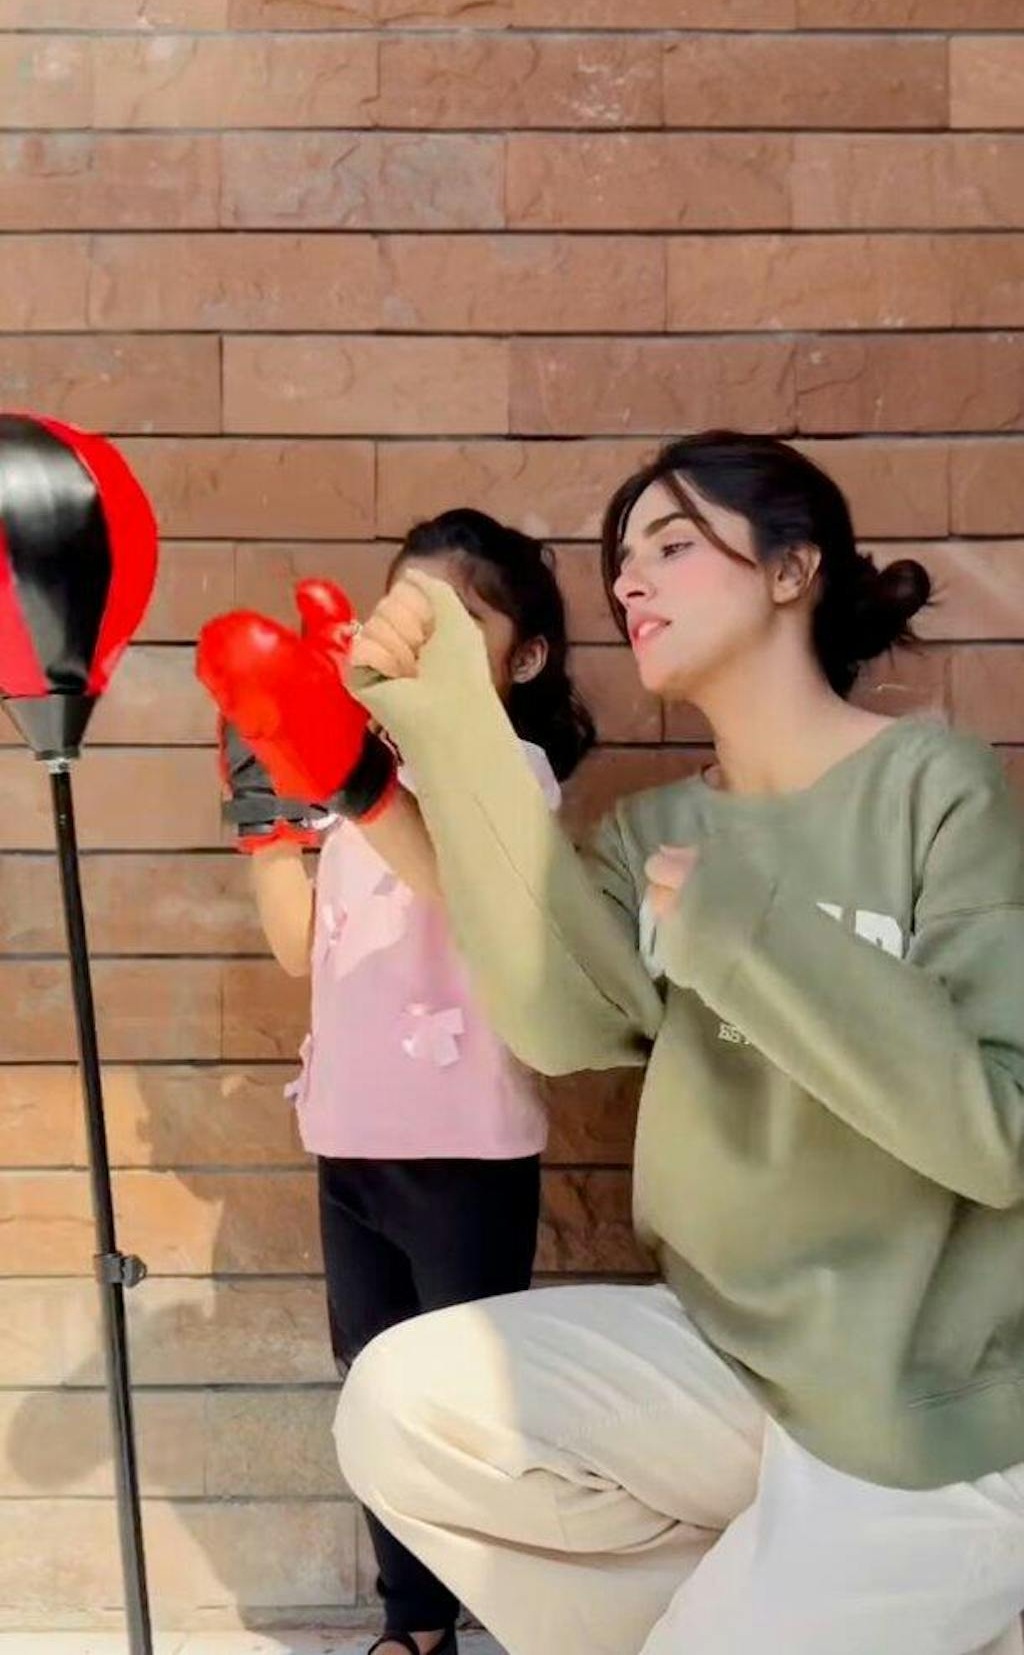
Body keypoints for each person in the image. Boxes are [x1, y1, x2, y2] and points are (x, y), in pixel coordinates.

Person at [325, 433, 1024, 1655]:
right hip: (730, 1366)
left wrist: (749, 936)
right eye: (620, 560)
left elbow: (997, 1135)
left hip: (939, 1409)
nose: (628, 580)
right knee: (403, 1404)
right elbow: (556, 1019)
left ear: (790, 569)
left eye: (671, 543)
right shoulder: (649, 833)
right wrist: (446, 725)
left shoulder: (933, 785)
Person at [202, 510, 594, 1655]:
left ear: (524, 657)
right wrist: (266, 814)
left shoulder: (510, 772)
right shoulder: (339, 777)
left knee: (470, 1402)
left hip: (465, 1147)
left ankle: (526, 1607)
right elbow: (295, 947)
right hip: (349, 1136)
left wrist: (349, 774)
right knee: (373, 1391)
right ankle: (413, 1623)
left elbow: (469, 889)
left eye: (452, 618)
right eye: (399, 611)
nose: (412, 637)